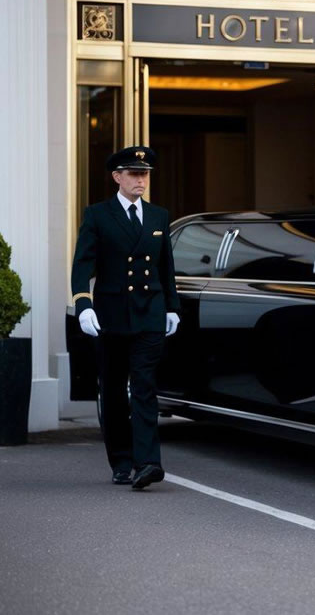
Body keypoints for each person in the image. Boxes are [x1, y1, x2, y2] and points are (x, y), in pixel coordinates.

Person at [70, 146, 180, 489]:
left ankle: (148, 462)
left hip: (150, 313)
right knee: (115, 389)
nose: (141, 180)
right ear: (117, 177)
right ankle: (121, 460)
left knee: (144, 388)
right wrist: (83, 305)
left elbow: (166, 268)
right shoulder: (98, 215)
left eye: (145, 174)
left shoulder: (159, 216)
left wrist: (172, 307)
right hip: (112, 315)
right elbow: (82, 265)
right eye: (134, 173)